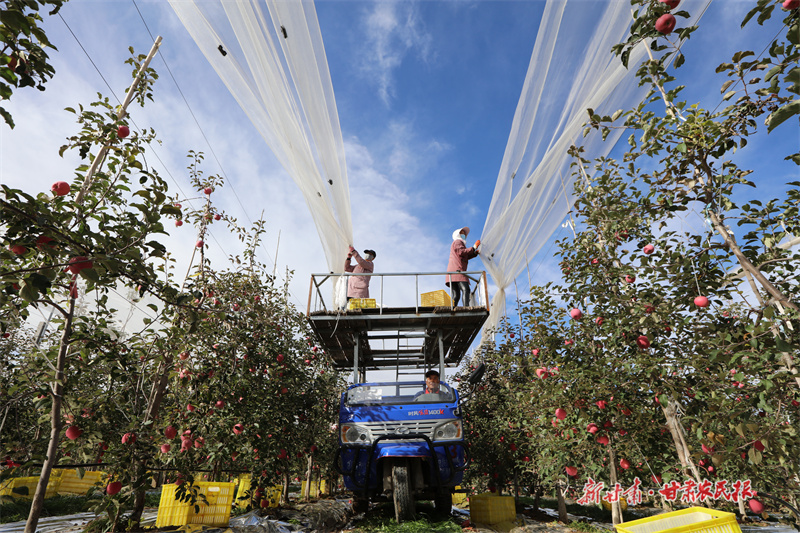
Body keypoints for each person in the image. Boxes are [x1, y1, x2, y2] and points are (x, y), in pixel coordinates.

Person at [445, 227, 480, 307]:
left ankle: (452, 308)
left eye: (464, 233)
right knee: (466, 289)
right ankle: (466, 307)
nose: (464, 235)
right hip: (457, 271)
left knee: (456, 294)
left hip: (452, 273)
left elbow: (464, 256)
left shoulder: (458, 244)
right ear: (457, 235)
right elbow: (461, 252)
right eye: (462, 233)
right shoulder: (458, 242)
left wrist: (474, 253)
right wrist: (474, 247)